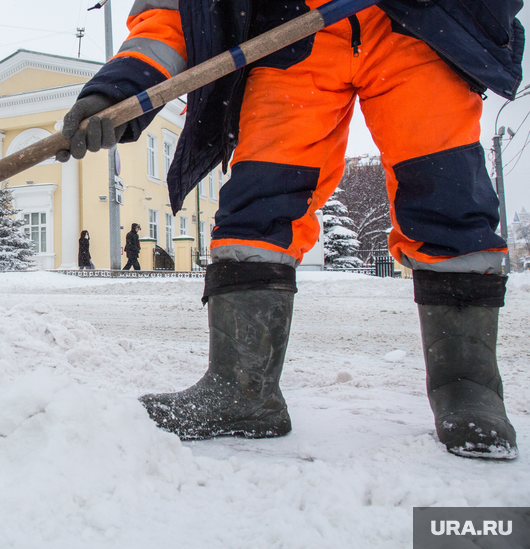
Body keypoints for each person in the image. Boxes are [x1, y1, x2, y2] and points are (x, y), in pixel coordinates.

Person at [56, 0, 523, 459]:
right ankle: (242, 390)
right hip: (295, 35)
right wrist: (119, 90)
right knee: (258, 204)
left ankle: (467, 387)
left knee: (448, 195)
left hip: (420, 26)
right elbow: (175, 10)